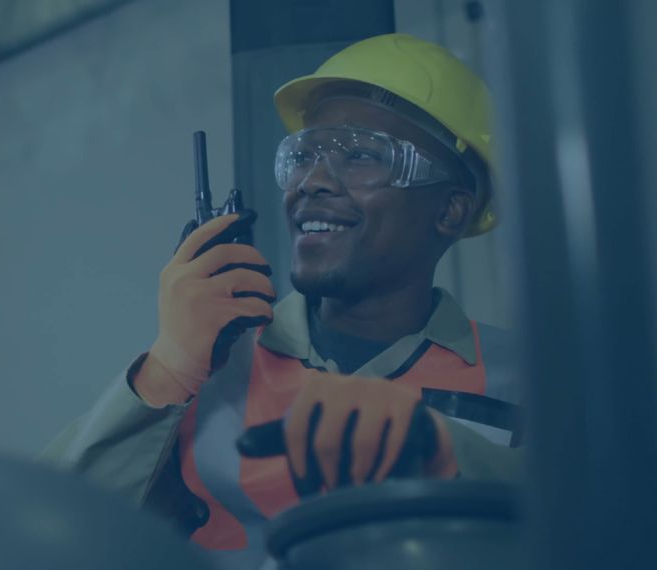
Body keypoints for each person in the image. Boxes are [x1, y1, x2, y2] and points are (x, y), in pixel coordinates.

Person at [43, 33, 522, 570]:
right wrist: (165, 371)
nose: (311, 182)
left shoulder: (528, 380)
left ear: (451, 211)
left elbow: (611, 522)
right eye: (303, 156)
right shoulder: (207, 372)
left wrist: (445, 450)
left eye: (361, 155)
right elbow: (45, 534)